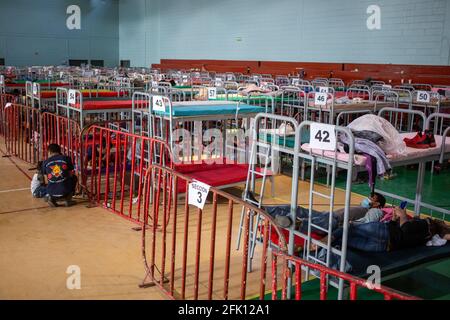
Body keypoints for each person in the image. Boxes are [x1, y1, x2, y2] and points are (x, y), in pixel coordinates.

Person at [246, 191, 386, 235]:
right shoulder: (364, 207)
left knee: (316, 222)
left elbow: (367, 223)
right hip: (329, 215)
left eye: (371, 198)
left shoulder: (374, 211)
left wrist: (349, 225)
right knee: (298, 209)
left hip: (335, 223)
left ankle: (293, 223)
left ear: (377, 204)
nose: (367, 199)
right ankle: (262, 208)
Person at [328, 207, 450, 252]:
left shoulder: (426, 223)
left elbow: (406, 229)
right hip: (384, 246)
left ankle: (326, 237)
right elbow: (405, 234)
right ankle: (325, 239)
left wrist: (402, 215)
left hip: (383, 232)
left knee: (349, 230)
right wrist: (393, 219)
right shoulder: (430, 239)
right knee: (344, 241)